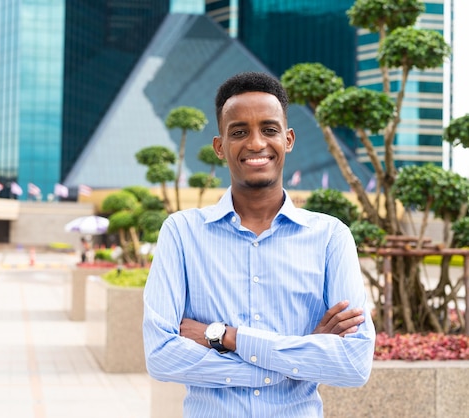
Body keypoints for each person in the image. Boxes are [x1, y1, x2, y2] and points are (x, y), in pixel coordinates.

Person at [142, 72, 376, 417]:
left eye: (269, 129)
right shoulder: (181, 233)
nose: (255, 143)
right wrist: (296, 356)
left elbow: (353, 365)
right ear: (220, 146)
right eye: (239, 132)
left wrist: (225, 336)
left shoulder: (330, 237)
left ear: (289, 139)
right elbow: (161, 355)